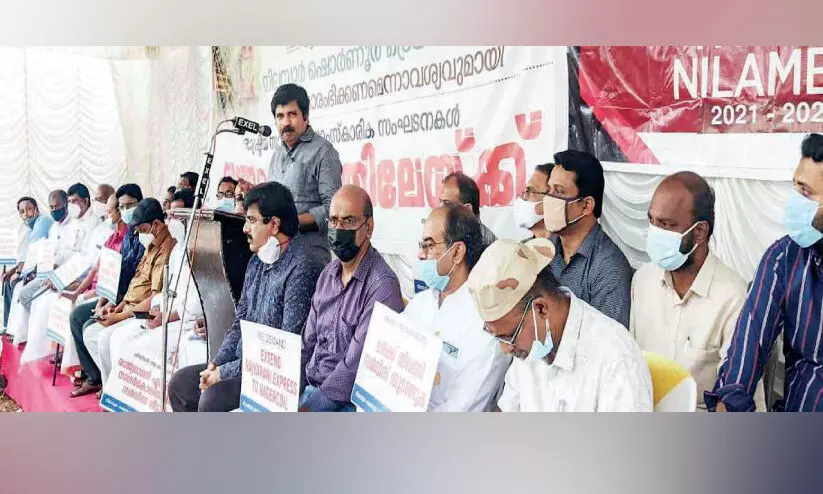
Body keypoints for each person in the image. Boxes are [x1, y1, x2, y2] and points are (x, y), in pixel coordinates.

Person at [168, 182, 325, 412]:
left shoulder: (302, 266)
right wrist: (217, 363)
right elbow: (239, 322)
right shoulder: (257, 261)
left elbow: (286, 348)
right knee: (180, 385)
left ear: (274, 224)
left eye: (251, 221)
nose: (244, 229)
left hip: (274, 375)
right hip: (243, 365)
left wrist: (225, 373)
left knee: (212, 399)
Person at [466, 238, 653, 412]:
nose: (505, 349)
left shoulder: (614, 357)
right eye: (497, 337)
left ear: (540, 309)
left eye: (510, 336)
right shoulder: (529, 347)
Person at [630, 171, 765, 411]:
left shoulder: (733, 298)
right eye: (652, 221)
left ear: (700, 232)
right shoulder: (643, 281)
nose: (655, 233)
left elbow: (740, 399)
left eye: (667, 225)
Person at [708, 133, 823, 412]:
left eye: (805, 192)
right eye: (794, 187)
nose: (794, 200)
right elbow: (750, 341)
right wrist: (730, 399)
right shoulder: (784, 259)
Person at [299, 185, 403, 412]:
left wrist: (306, 410)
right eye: (333, 221)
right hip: (310, 390)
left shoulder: (382, 285)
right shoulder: (329, 273)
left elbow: (353, 369)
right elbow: (307, 343)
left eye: (348, 221)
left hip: (347, 404)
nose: (338, 229)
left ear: (369, 227)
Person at [404, 206, 509, 411]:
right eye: (421, 245)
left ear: (457, 252)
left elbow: (464, 407)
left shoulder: (484, 320)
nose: (420, 254)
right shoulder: (421, 303)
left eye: (429, 246)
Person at [81, 198, 175, 388]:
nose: (138, 234)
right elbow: (135, 284)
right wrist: (116, 308)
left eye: (140, 230)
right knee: (91, 333)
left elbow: (154, 298)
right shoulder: (152, 244)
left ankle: (116, 389)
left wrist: (119, 316)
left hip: (143, 312)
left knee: (107, 338)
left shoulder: (166, 249)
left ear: (156, 224)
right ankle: (112, 387)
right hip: (129, 307)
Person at [70, 184, 145, 397]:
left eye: (130, 205)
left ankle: (109, 382)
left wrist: (115, 304)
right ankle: (94, 377)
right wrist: (105, 300)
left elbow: (139, 281)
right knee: (77, 316)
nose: (125, 211)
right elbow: (114, 273)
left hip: (131, 301)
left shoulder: (146, 237)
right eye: (121, 207)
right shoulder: (129, 235)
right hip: (116, 296)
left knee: (89, 325)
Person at [542, 150, 632, 328]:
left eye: (559, 192)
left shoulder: (609, 268)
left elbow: (608, 342)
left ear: (586, 205)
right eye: (549, 190)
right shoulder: (542, 251)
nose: (549, 199)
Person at [262, 83, 343, 264]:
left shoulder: (323, 151)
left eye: (292, 114)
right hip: (277, 255)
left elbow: (334, 210)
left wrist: (291, 222)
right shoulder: (277, 154)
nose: (286, 123)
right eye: (280, 116)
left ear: (305, 116)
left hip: (309, 257)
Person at [7, 189, 93, 346]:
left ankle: (44, 340)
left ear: (66, 205)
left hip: (69, 276)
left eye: (57, 206)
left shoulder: (76, 225)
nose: (54, 210)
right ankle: (32, 335)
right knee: (24, 293)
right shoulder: (53, 228)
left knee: (44, 298)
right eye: (51, 207)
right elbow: (46, 254)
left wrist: (59, 276)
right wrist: (38, 271)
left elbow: (81, 258)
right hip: (49, 274)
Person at [2, 197, 53, 330]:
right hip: (36, 266)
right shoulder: (32, 227)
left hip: (45, 268)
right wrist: (12, 271)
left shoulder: (42, 223)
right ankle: (8, 325)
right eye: (22, 211)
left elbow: (33, 255)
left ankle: (17, 328)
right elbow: (25, 256)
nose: (26, 214)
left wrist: (18, 272)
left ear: (36, 209)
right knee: (8, 281)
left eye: (29, 209)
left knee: (14, 283)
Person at [439, 172, 497, 247]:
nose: (439, 209)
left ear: (467, 210)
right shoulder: (446, 235)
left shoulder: (489, 246)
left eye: (447, 203)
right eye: (440, 201)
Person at [512, 164, 553, 240]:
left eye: (529, 191)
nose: (522, 198)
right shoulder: (519, 250)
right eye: (524, 191)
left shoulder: (570, 249)